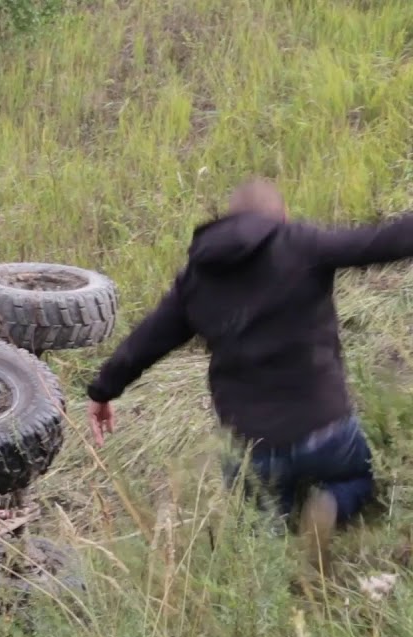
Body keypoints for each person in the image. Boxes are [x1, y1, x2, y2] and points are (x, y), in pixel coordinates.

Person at [85, 178, 413, 567]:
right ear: (281, 215)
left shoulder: (197, 278)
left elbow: (147, 340)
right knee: (355, 480)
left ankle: (277, 563)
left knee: (261, 525)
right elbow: (379, 242)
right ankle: (329, 507)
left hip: (249, 443)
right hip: (323, 428)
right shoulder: (298, 243)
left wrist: (102, 390)